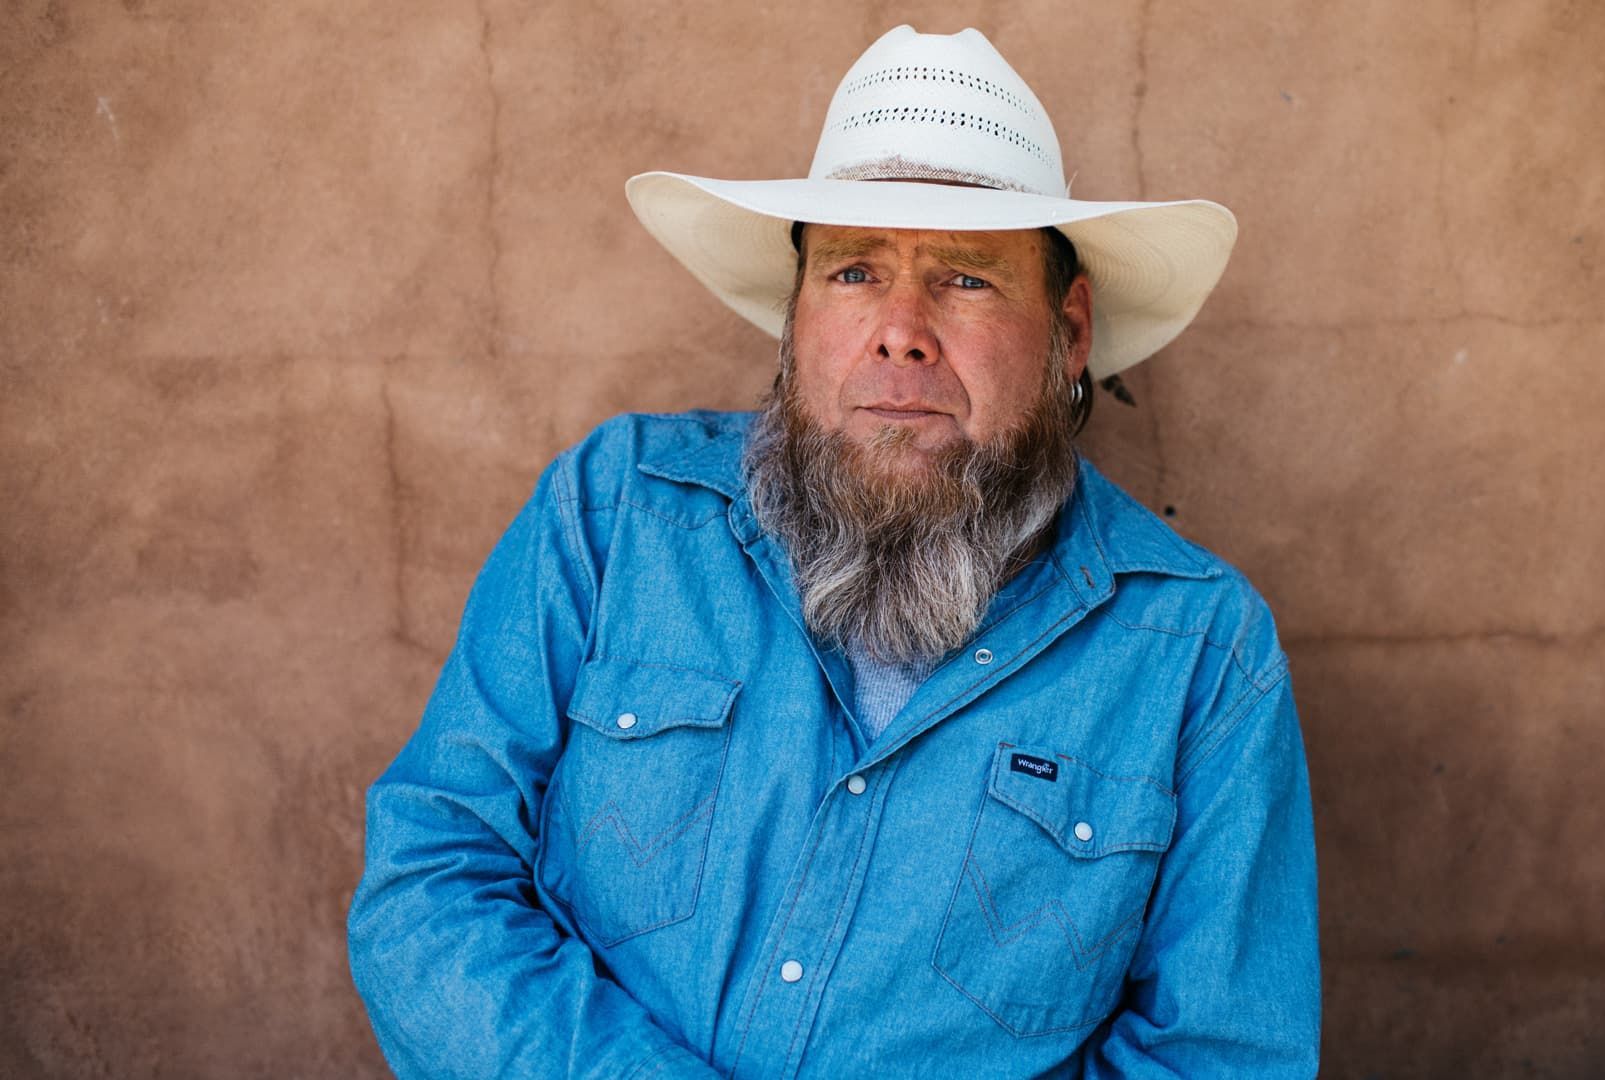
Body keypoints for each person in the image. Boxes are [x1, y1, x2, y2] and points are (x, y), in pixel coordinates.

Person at [347, 25, 1318, 1078]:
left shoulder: (1201, 654)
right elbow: (431, 880)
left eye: (967, 279)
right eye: (854, 271)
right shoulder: (615, 514)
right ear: (795, 315)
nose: (900, 331)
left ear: (1069, 332)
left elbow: (1221, 1057)